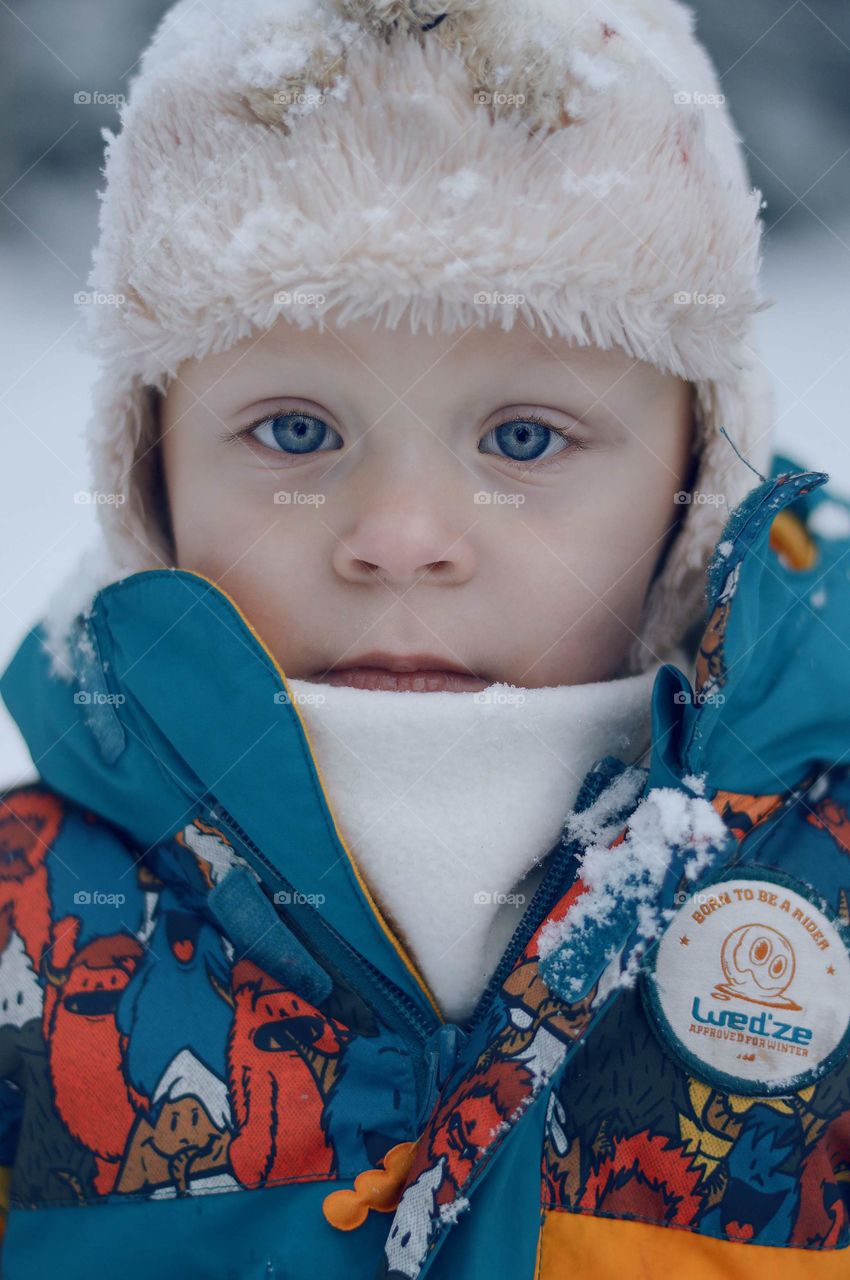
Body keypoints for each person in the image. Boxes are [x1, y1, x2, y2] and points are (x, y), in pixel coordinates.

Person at [1, 1, 849, 1276]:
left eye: (524, 438)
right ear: (149, 473)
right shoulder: (33, 927)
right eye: (295, 432)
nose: (399, 537)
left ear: (693, 483)